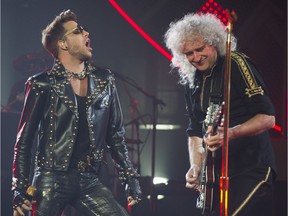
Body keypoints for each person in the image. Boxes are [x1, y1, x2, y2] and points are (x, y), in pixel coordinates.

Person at [12, 9, 141, 216]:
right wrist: (20, 187)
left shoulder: (104, 80)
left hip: (89, 179)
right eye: (78, 31)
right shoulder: (41, 84)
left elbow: (115, 135)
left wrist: (130, 178)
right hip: (50, 178)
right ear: (63, 44)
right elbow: (24, 141)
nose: (87, 34)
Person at [164, 13, 277, 216]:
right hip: (215, 176)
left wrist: (231, 133)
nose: (196, 58)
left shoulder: (236, 64)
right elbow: (195, 132)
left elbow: (268, 118)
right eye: (189, 53)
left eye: (200, 49)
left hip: (252, 168)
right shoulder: (192, 80)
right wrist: (195, 167)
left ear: (214, 43)